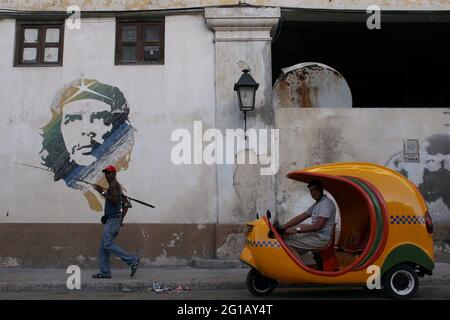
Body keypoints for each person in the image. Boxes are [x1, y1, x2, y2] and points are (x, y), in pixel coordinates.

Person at [40, 78, 134, 212]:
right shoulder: (67, 186)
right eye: (74, 119)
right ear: (59, 130)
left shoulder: (114, 186)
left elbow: (117, 203)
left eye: (99, 118)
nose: (86, 130)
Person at [91, 165, 139, 278]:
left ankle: (132, 260)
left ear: (114, 174)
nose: (107, 175)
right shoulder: (113, 187)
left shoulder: (114, 185)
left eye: (109, 173)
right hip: (112, 220)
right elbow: (126, 204)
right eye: (106, 173)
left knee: (107, 245)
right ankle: (105, 273)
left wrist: (101, 192)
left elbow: (114, 200)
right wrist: (118, 218)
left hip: (113, 220)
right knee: (103, 248)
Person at [277, 179, 336, 262]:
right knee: (290, 240)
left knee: (286, 244)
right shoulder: (317, 204)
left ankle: (299, 271)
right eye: (311, 190)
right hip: (315, 235)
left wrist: (296, 230)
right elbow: (301, 217)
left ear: (321, 190)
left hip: (321, 238)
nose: (313, 192)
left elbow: (318, 226)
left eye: (315, 189)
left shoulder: (325, 204)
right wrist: (283, 227)